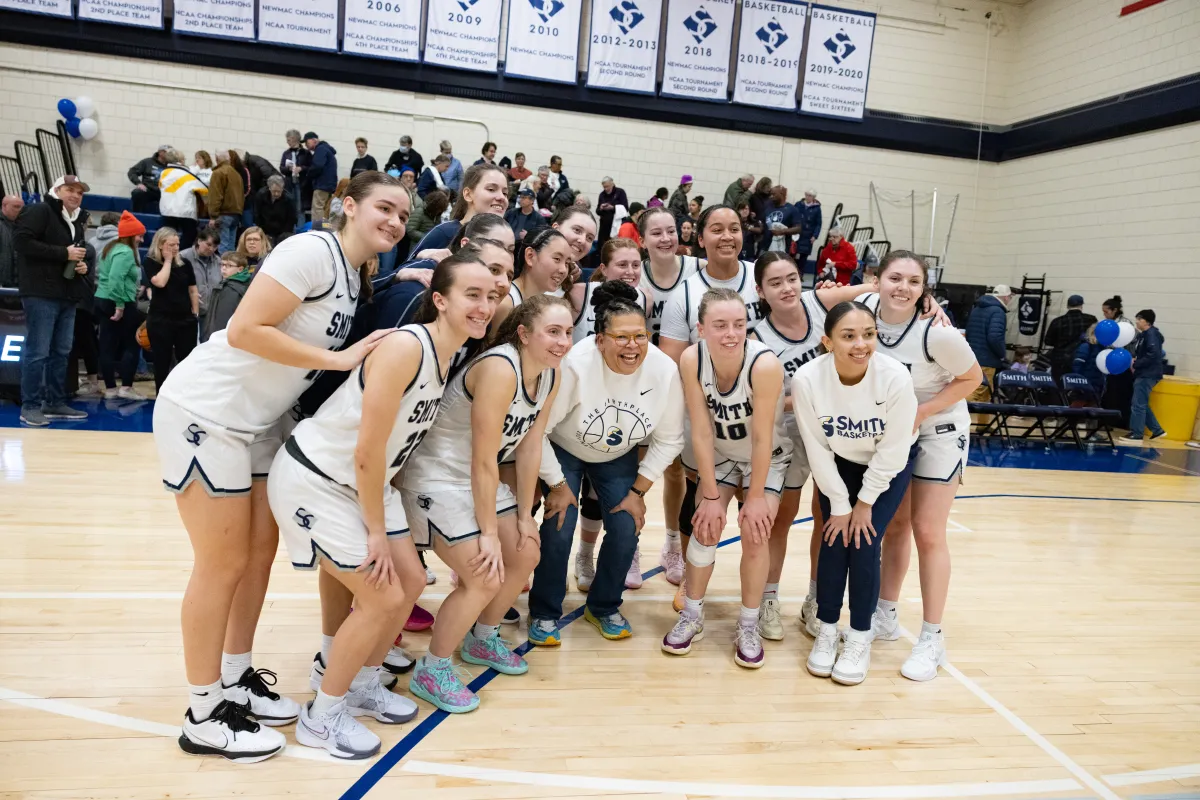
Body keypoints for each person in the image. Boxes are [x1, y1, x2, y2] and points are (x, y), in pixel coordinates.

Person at [152, 171, 408, 762]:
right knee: (221, 564)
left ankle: (236, 676)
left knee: (257, 557)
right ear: (348, 206)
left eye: (403, 213)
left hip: (260, 422)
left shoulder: (355, 270)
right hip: (207, 410)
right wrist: (334, 359)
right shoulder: (311, 249)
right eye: (384, 207)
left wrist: (413, 272)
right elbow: (244, 329)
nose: (395, 220)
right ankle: (202, 711)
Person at [270, 250, 491, 755]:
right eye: (472, 295)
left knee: (410, 581)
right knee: (383, 595)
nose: (484, 305)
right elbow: (367, 450)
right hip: (320, 477)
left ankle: (364, 685)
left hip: (367, 483)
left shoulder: (450, 351)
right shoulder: (406, 348)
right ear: (439, 300)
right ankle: (321, 718)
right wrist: (376, 531)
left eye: (492, 296)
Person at [400, 293, 569, 710]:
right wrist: (489, 532)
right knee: (483, 573)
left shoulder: (550, 373)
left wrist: (525, 515)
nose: (563, 341)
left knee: (526, 551)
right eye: (553, 332)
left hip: (474, 478)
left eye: (567, 332)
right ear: (524, 333)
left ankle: (482, 638)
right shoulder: (499, 368)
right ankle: (433, 670)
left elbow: (530, 445)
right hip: (435, 478)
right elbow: (481, 457)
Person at [527, 281, 685, 646]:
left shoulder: (664, 370)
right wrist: (557, 486)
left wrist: (639, 491)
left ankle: (603, 606)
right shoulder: (575, 365)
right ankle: (545, 610)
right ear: (600, 339)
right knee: (559, 521)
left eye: (641, 336)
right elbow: (539, 431)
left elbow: (670, 438)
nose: (633, 346)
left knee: (628, 524)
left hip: (617, 454)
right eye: (621, 337)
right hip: (563, 447)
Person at [863, 252, 982, 683]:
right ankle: (886, 614)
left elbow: (973, 379)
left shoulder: (938, 333)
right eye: (895, 277)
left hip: (940, 428)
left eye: (914, 281)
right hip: (896, 430)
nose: (903, 288)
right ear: (877, 280)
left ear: (924, 289)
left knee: (928, 530)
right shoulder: (864, 314)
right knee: (893, 526)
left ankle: (932, 637)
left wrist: (924, 409)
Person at [747, 252, 875, 641]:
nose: (786, 288)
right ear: (760, 291)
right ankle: (769, 599)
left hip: (834, 434)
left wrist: (930, 304)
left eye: (791, 279)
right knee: (780, 522)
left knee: (827, 521)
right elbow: (761, 399)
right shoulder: (757, 338)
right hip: (787, 436)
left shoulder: (820, 303)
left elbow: (877, 287)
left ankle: (816, 600)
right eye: (775, 283)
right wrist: (804, 397)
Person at [662, 288, 790, 669]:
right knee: (704, 526)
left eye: (739, 324)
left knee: (756, 530)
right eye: (720, 325)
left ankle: (748, 625)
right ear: (701, 329)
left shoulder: (764, 365)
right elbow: (700, 430)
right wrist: (711, 493)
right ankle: (691, 615)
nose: (731, 333)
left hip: (762, 458)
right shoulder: (691, 359)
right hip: (718, 454)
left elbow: (764, 439)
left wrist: (754, 498)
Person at [793, 301, 918, 686]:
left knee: (864, 541)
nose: (860, 343)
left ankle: (860, 636)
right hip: (838, 463)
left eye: (868, 334)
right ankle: (828, 630)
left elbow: (894, 450)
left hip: (886, 466)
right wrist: (840, 503)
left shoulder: (895, 377)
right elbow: (817, 448)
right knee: (834, 538)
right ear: (828, 341)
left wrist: (863, 504)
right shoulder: (807, 379)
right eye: (848, 336)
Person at [657, 204, 764, 610]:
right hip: (704, 415)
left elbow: (809, 303)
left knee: (760, 513)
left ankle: (761, 597)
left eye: (734, 228)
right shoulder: (685, 292)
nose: (727, 236)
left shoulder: (761, 277)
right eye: (716, 229)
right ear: (699, 239)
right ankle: (689, 576)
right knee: (700, 497)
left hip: (757, 414)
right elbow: (671, 360)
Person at [13, 175, 91, 426]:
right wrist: (63, 253)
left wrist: (80, 265)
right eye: (70, 190)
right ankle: (30, 406)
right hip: (40, 293)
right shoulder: (39, 210)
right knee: (38, 352)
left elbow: (68, 253)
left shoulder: (76, 220)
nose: (75, 195)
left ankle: (55, 401)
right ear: (56, 190)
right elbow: (21, 242)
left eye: (79, 192)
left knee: (62, 351)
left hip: (66, 293)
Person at [94, 210, 147, 399]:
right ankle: (126, 388)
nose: (141, 239)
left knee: (107, 344)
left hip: (102, 298)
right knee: (131, 344)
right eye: (139, 235)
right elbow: (116, 279)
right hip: (118, 301)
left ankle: (110, 389)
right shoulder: (125, 252)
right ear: (132, 235)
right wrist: (120, 305)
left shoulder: (111, 247)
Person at [142, 227, 199, 391]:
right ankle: (162, 394)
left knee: (186, 360)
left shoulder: (185, 263)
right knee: (162, 361)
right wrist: (167, 261)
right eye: (171, 244)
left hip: (185, 319)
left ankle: (184, 393)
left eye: (177, 244)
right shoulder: (150, 262)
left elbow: (193, 289)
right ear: (160, 245)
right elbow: (160, 282)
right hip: (161, 319)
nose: (175, 248)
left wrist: (194, 312)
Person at [411, 164, 509, 255]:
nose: (502, 197)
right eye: (491, 189)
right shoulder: (445, 232)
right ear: (468, 194)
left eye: (505, 193)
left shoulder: (504, 241)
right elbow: (402, 271)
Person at [491, 228, 571, 335]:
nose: (563, 270)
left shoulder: (548, 303)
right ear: (530, 256)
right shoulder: (506, 304)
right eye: (557, 259)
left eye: (567, 263)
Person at [1119, 309, 1168, 444]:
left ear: (1145, 321)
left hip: (1147, 374)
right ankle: (1157, 430)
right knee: (1141, 403)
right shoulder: (1145, 335)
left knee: (1137, 404)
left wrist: (1137, 363)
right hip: (1145, 373)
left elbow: (1153, 354)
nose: (1136, 322)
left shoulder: (1151, 335)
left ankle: (1137, 434)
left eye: (1138, 319)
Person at [965, 284, 1010, 407]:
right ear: (1006, 297)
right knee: (977, 392)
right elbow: (995, 337)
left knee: (985, 394)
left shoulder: (977, 309)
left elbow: (968, 333)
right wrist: (1002, 355)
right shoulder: (998, 312)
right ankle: (954, 419)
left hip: (972, 358)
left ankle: (982, 425)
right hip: (987, 360)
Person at [158, 149, 208, 249]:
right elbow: (205, 190)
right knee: (190, 236)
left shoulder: (163, 173)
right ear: (180, 161)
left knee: (167, 238)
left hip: (167, 210)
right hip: (185, 212)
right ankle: (180, 255)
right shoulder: (187, 175)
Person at [202, 251, 252, 343]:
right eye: (222, 264)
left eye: (229, 265)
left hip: (223, 338)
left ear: (240, 269)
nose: (224, 268)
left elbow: (223, 317)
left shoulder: (230, 288)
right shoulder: (247, 284)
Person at [1044, 294, 1097, 378]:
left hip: (1059, 359)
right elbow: (1094, 339)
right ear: (1081, 306)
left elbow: (1048, 341)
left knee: (1059, 385)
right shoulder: (1090, 319)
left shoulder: (1057, 321)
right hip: (1082, 359)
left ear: (1068, 306)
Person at [181, 228, 223, 334]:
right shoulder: (182, 257)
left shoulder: (219, 261)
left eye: (215, 246)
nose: (211, 249)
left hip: (211, 313)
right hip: (186, 311)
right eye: (208, 244)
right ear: (199, 241)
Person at [208, 151, 245, 254]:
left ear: (216, 159)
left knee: (222, 246)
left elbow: (215, 195)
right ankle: (232, 268)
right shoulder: (237, 174)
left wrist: (213, 216)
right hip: (236, 214)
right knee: (231, 246)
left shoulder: (218, 173)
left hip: (223, 214)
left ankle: (222, 269)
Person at [280, 129, 312, 229]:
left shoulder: (306, 153)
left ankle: (300, 229)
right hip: (289, 182)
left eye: (289, 140)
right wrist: (288, 169)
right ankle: (290, 229)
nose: (287, 142)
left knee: (299, 208)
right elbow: (281, 168)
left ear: (295, 139)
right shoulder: (286, 153)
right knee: (289, 206)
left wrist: (301, 168)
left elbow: (311, 167)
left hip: (301, 184)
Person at [305, 132, 338, 225]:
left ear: (314, 140)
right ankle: (324, 229)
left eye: (307, 142)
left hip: (321, 185)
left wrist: (308, 175)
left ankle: (317, 229)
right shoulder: (327, 150)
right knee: (325, 208)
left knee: (317, 208)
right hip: (329, 185)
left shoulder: (320, 149)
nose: (306, 145)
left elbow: (317, 166)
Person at [760, 186, 802, 255]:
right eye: (770, 194)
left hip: (781, 248)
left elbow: (798, 228)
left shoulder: (792, 209)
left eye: (774, 194)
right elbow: (763, 223)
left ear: (781, 194)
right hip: (764, 246)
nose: (771, 196)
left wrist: (782, 231)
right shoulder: (768, 206)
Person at [129, 145, 171, 213]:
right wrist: (138, 183)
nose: (169, 155)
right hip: (149, 190)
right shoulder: (147, 162)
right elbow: (132, 172)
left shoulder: (171, 165)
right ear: (160, 152)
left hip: (164, 192)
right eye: (167, 152)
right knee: (137, 193)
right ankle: (137, 216)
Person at [254, 175, 295, 244]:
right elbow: (257, 214)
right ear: (269, 188)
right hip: (266, 229)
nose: (276, 194)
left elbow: (291, 218)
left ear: (282, 188)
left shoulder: (289, 199)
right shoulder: (261, 195)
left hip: (282, 229)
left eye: (279, 191)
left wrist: (284, 235)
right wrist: (262, 232)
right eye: (274, 191)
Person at [596, 177, 629, 251]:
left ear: (612, 184)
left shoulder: (620, 192)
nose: (606, 189)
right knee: (602, 247)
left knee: (614, 248)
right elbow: (597, 211)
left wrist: (613, 208)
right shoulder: (602, 195)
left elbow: (626, 208)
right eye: (604, 187)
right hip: (604, 226)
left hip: (616, 225)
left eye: (607, 186)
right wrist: (601, 208)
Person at [1, 194, 25, 288]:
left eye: (22, 208)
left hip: (18, 284)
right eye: (16, 207)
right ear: (4, 206)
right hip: (4, 285)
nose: (19, 210)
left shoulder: (23, 227)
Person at [794, 189, 822, 267]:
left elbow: (818, 224)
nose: (808, 197)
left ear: (814, 197)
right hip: (796, 233)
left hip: (808, 235)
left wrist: (815, 236)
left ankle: (801, 274)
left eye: (810, 196)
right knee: (793, 252)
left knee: (804, 255)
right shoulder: (798, 204)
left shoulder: (817, 208)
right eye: (807, 195)